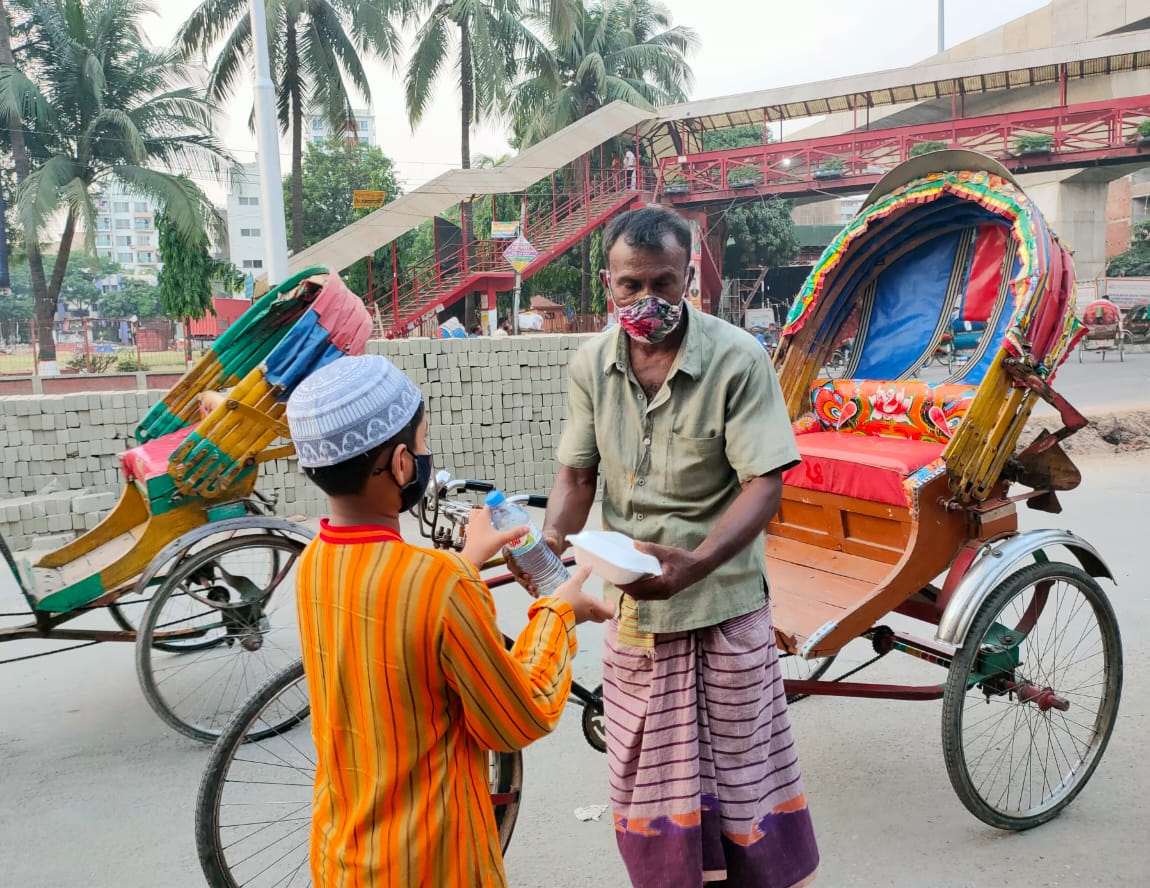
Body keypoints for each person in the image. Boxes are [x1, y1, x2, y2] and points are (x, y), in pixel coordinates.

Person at [515, 206, 819, 888]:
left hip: (722, 604)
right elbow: (576, 473)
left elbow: (764, 486)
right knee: (645, 788)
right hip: (639, 616)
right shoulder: (592, 363)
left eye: (663, 282)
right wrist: (550, 546)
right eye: (631, 285)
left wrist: (697, 563)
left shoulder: (738, 358)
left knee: (744, 789)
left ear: (689, 278)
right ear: (608, 283)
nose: (647, 300)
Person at [284, 354, 613, 888]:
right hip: (434, 860)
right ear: (399, 465)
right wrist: (558, 613)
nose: (424, 453)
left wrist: (467, 557)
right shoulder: (441, 584)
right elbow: (515, 717)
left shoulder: (314, 562)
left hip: (342, 853)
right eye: (421, 441)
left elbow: (391, 604)